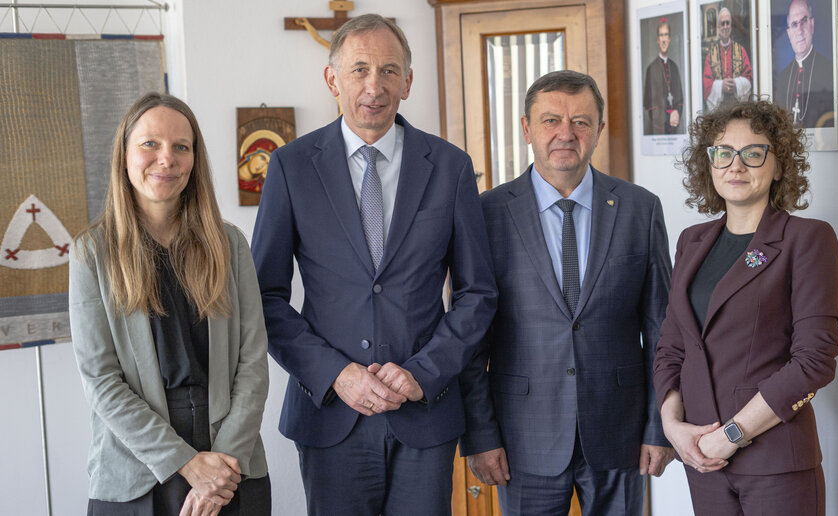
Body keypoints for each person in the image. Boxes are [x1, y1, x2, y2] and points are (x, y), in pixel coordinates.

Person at [250, 13, 498, 515]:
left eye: (389, 70)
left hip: (424, 414)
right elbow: (264, 296)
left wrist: (421, 375)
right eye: (359, 68)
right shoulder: (292, 166)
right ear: (332, 79)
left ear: (408, 81)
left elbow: (477, 294)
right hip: (330, 414)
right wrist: (337, 374)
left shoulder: (449, 167)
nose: (374, 85)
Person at [461, 70, 675, 515]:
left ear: (599, 130)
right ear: (526, 128)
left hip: (621, 433)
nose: (565, 133)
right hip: (522, 439)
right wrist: (481, 436)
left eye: (580, 121)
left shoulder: (640, 209)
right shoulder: (486, 215)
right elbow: (468, 340)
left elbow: (663, 334)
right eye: (550, 120)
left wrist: (659, 427)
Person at [70, 92, 271, 516]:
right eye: (150, 144)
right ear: (124, 155)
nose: (167, 159)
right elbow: (102, 382)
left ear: (195, 160)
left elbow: (253, 362)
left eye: (182, 146)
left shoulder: (229, 244)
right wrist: (186, 464)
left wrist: (222, 468)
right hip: (136, 467)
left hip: (228, 459)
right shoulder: (93, 252)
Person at [653, 99, 838, 515]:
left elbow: (815, 361)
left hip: (775, 462)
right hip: (703, 460)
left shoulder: (806, 239)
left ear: (779, 164)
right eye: (723, 153)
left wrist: (733, 434)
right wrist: (673, 427)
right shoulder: (692, 241)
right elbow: (672, 347)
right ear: (710, 164)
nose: (735, 166)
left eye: (753, 153)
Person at [774, 0, 835, 128]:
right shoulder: (784, 76)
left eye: (804, 21)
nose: (800, 30)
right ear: (789, 33)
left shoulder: (829, 70)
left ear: (812, 24)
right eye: (794, 24)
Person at [703, 7, 753, 111]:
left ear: (731, 26)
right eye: (722, 23)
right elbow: (706, 84)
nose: (725, 27)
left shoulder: (741, 50)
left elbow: (749, 79)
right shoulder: (711, 54)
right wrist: (721, 86)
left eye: (728, 23)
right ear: (718, 27)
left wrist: (737, 84)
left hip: (738, 109)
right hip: (719, 111)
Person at [644, 18, 684, 135]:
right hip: (659, 130)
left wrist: (676, 113)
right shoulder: (651, 69)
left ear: (669, 39)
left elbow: (680, 100)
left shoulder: (675, 67)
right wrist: (667, 117)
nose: (663, 40)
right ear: (657, 39)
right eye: (661, 35)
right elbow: (649, 105)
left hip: (674, 129)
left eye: (666, 35)